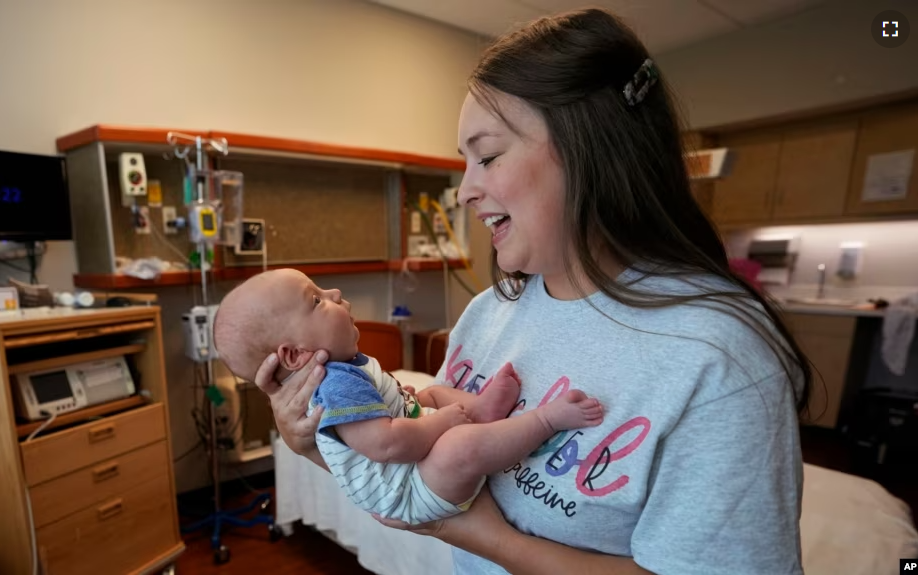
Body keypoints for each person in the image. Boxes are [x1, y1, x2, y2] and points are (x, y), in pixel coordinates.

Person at [253, 8, 811, 575]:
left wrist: (478, 535)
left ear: (592, 149)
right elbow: (407, 468)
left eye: (488, 156)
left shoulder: (717, 360)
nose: (466, 191)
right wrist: (307, 441)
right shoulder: (489, 314)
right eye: (464, 163)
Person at [214, 269, 604, 525]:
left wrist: (421, 406)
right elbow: (384, 444)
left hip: (409, 461)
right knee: (457, 445)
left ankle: (483, 408)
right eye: (316, 300)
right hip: (406, 490)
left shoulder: (345, 368)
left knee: (430, 391)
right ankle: (545, 421)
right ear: (295, 354)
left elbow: (396, 409)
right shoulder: (334, 384)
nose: (334, 291)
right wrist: (444, 420)